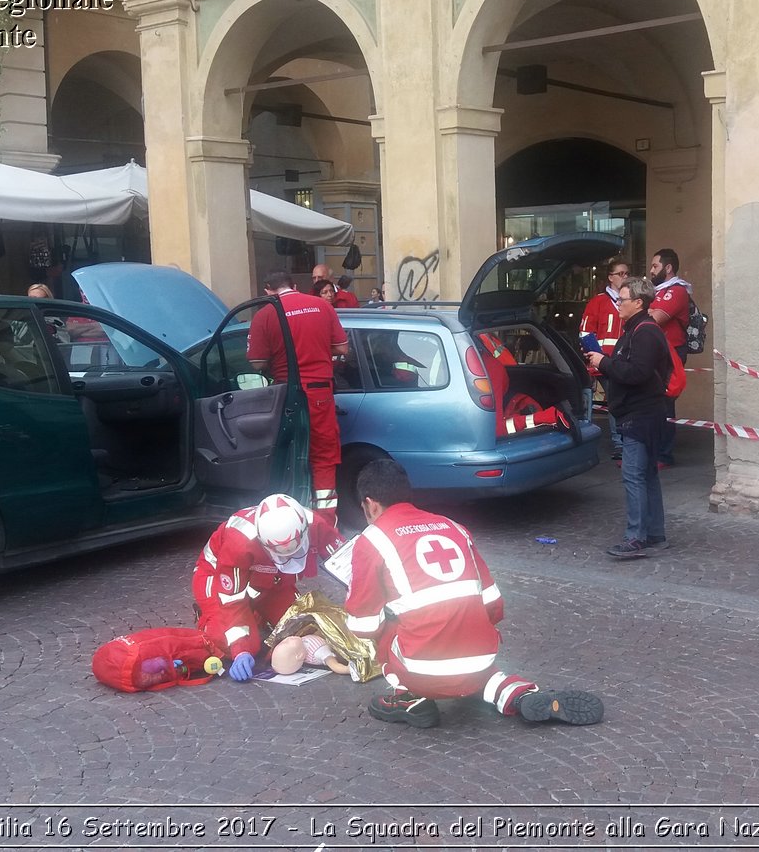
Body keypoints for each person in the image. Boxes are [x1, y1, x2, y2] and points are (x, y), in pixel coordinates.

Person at [343, 459, 604, 728]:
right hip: (478, 658)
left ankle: (409, 699)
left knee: (389, 625)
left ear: (370, 504)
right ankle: (519, 694)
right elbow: (493, 604)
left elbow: (364, 625)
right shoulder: (453, 527)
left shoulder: (372, 539)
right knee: (478, 673)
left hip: (421, 668)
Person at [191, 493, 344, 680]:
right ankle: (209, 620)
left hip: (270, 581)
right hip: (217, 580)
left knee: (303, 624)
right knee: (241, 644)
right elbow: (231, 599)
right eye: (282, 554)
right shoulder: (240, 543)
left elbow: (346, 562)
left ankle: (256, 614)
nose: (288, 558)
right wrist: (240, 650)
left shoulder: (316, 525)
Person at [248, 270, 349, 526]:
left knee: (288, 455)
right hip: (320, 394)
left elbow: (257, 362)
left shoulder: (264, 314)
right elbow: (342, 348)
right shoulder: (320, 306)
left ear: (267, 290)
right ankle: (326, 523)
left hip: (286, 395)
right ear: (295, 285)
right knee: (324, 456)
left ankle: (293, 519)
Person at [585, 277, 672, 559]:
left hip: (641, 414)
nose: (618, 304)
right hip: (641, 413)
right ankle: (655, 534)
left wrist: (604, 362)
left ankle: (636, 538)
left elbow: (637, 373)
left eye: (622, 300)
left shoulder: (645, 332)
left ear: (638, 302)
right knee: (646, 475)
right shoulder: (635, 330)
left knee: (634, 476)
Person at [580, 259, 631, 461]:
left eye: (627, 273)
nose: (625, 277)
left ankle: (625, 440)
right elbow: (585, 333)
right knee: (616, 400)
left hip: (626, 360)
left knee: (622, 400)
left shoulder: (630, 301)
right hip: (605, 363)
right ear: (610, 278)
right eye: (621, 274)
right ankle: (619, 442)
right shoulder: (598, 302)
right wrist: (596, 358)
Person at [476, 332, 574, 436]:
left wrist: (547, 418)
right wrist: (548, 418)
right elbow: (493, 430)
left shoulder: (488, 368)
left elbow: (492, 428)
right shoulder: (489, 366)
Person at [647, 249, 692, 468]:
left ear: (668, 268)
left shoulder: (676, 291)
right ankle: (655, 450)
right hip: (657, 353)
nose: (651, 270)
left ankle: (663, 454)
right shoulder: (657, 292)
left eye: (655, 266)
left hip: (670, 354)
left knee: (665, 403)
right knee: (654, 403)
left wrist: (644, 310)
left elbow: (654, 319)